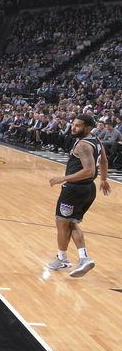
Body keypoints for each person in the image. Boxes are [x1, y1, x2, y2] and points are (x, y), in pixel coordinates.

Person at [48, 114, 111, 277]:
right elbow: (103, 160)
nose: (74, 128)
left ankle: (66, 259)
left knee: (62, 224)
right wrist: (103, 179)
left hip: (74, 190)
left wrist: (63, 178)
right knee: (71, 223)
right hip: (88, 189)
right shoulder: (95, 140)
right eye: (73, 124)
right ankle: (79, 257)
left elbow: (89, 170)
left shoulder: (83, 145)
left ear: (88, 127)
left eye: (78, 125)